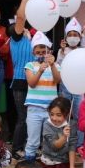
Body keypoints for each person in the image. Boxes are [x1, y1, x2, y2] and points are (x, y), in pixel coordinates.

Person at [24, 31, 61, 161]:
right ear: (33, 53)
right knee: (33, 140)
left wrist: (52, 66)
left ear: (49, 51)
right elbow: (32, 83)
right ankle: (29, 162)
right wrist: (40, 70)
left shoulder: (55, 66)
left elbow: (58, 80)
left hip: (51, 110)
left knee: (50, 139)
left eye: (44, 52)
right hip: (34, 109)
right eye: (38, 52)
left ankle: (48, 162)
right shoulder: (30, 66)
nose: (41, 55)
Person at [8, 0, 35, 159]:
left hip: (37, 81)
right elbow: (20, 17)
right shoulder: (16, 36)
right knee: (23, 117)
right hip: (20, 81)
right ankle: (17, 148)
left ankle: (30, 147)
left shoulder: (35, 37)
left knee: (34, 118)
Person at [57, 17, 85, 148]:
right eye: (70, 35)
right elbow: (58, 67)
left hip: (79, 88)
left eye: (75, 35)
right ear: (66, 37)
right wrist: (62, 52)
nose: (73, 37)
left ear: (80, 37)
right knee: (63, 114)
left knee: (80, 116)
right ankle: (63, 142)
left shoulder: (83, 50)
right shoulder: (62, 51)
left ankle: (79, 144)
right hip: (65, 87)